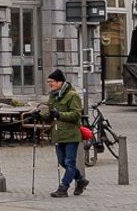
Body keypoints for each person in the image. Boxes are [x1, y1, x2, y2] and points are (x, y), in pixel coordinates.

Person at [45, 68, 87, 197]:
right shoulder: (53, 96)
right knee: (62, 161)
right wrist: (40, 115)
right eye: (48, 82)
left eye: (51, 81)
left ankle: (63, 188)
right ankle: (80, 180)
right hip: (58, 134)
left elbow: (76, 115)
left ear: (59, 82)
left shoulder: (72, 95)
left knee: (69, 162)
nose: (49, 84)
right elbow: (49, 114)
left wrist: (59, 114)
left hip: (70, 134)